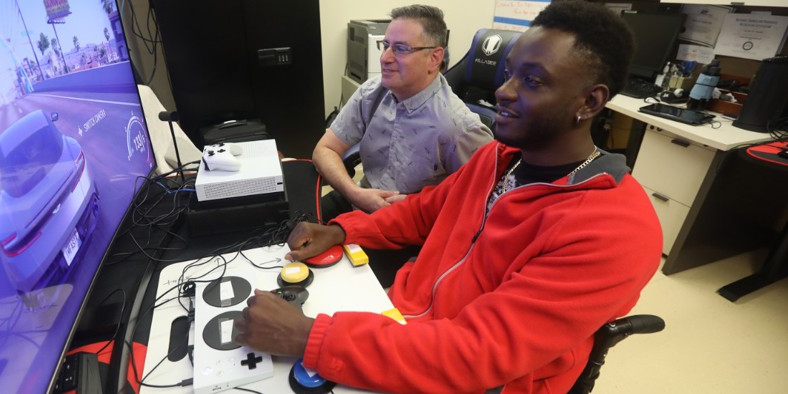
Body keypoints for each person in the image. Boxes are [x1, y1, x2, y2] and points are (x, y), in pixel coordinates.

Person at [235, 1, 662, 392]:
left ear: (589, 102)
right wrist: (343, 230)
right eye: (509, 73)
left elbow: (479, 352)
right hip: (409, 321)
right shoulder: (497, 158)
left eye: (531, 81)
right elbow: (421, 213)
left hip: (479, 376)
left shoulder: (615, 228)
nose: (504, 92)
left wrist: (308, 337)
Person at [316, 4, 493, 223]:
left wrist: (413, 206)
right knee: (289, 230)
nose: (385, 58)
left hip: (407, 224)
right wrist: (356, 193)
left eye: (400, 49)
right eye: (386, 45)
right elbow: (324, 149)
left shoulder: (459, 127)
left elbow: (480, 202)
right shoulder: (372, 92)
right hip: (360, 198)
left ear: (434, 58)